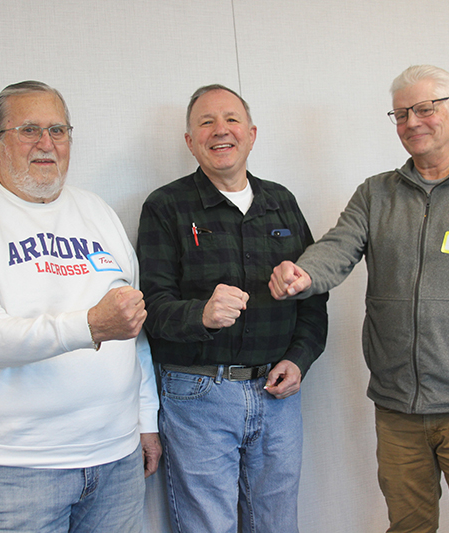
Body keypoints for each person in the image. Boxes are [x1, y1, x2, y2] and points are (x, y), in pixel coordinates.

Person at [269, 65, 449, 533]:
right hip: (398, 408)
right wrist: (304, 272)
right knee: (407, 528)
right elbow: (338, 247)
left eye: (425, 109)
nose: (412, 122)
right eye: (402, 113)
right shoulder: (376, 194)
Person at [0, 80, 161, 533]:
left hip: (114, 458)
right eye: (29, 130)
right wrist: (89, 326)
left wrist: (145, 418)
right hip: (6, 468)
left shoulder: (98, 212)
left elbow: (133, 326)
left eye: (58, 130)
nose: (46, 144)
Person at [137, 84, 328, 533]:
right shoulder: (166, 206)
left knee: (277, 524)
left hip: (277, 394)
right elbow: (152, 308)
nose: (220, 130)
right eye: (205, 122)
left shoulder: (281, 201)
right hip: (198, 394)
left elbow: (314, 296)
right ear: (190, 141)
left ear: (252, 133)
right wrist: (201, 315)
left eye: (230, 120)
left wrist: (299, 360)